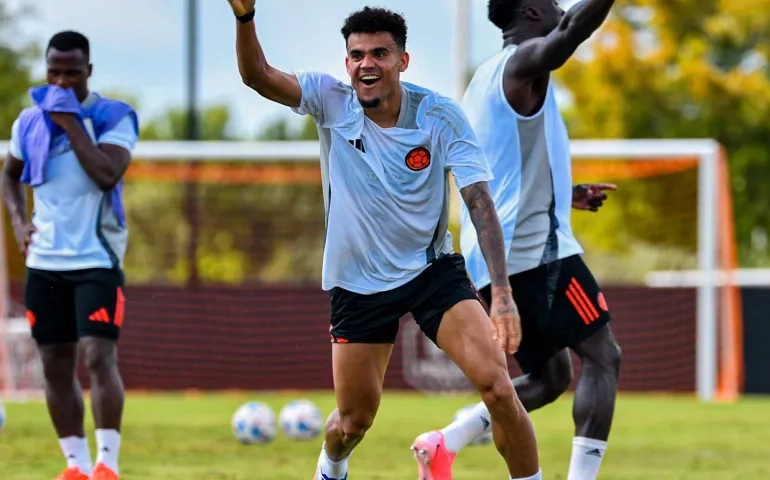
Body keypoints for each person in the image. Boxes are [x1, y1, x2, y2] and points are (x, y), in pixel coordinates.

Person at [226, 2, 543, 479]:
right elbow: (258, 76)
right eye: (356, 55)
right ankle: (330, 470)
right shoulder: (329, 98)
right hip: (357, 281)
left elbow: (479, 202)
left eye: (379, 53)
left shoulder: (440, 116)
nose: (366, 64)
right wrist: (245, 19)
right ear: (347, 62)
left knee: (499, 389)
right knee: (353, 422)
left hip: (431, 271)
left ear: (402, 61)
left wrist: (501, 293)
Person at [411, 0, 622, 479]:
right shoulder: (523, 64)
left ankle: (448, 439)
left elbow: (502, 170)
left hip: (496, 258)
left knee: (552, 377)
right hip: (534, 253)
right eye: (552, 4)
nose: (561, 9)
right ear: (531, 13)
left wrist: (566, 193)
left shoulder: (483, 79)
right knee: (604, 356)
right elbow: (570, 33)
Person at [1, 31, 138, 480]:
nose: (60, 82)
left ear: (89, 72)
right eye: (53, 71)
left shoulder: (113, 116)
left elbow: (106, 173)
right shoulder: (27, 122)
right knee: (54, 364)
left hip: (96, 259)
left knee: (99, 356)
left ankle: (108, 465)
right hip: (44, 264)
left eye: (71, 72)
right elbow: (10, 176)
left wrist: (70, 121)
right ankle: (76, 466)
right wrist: (21, 224)